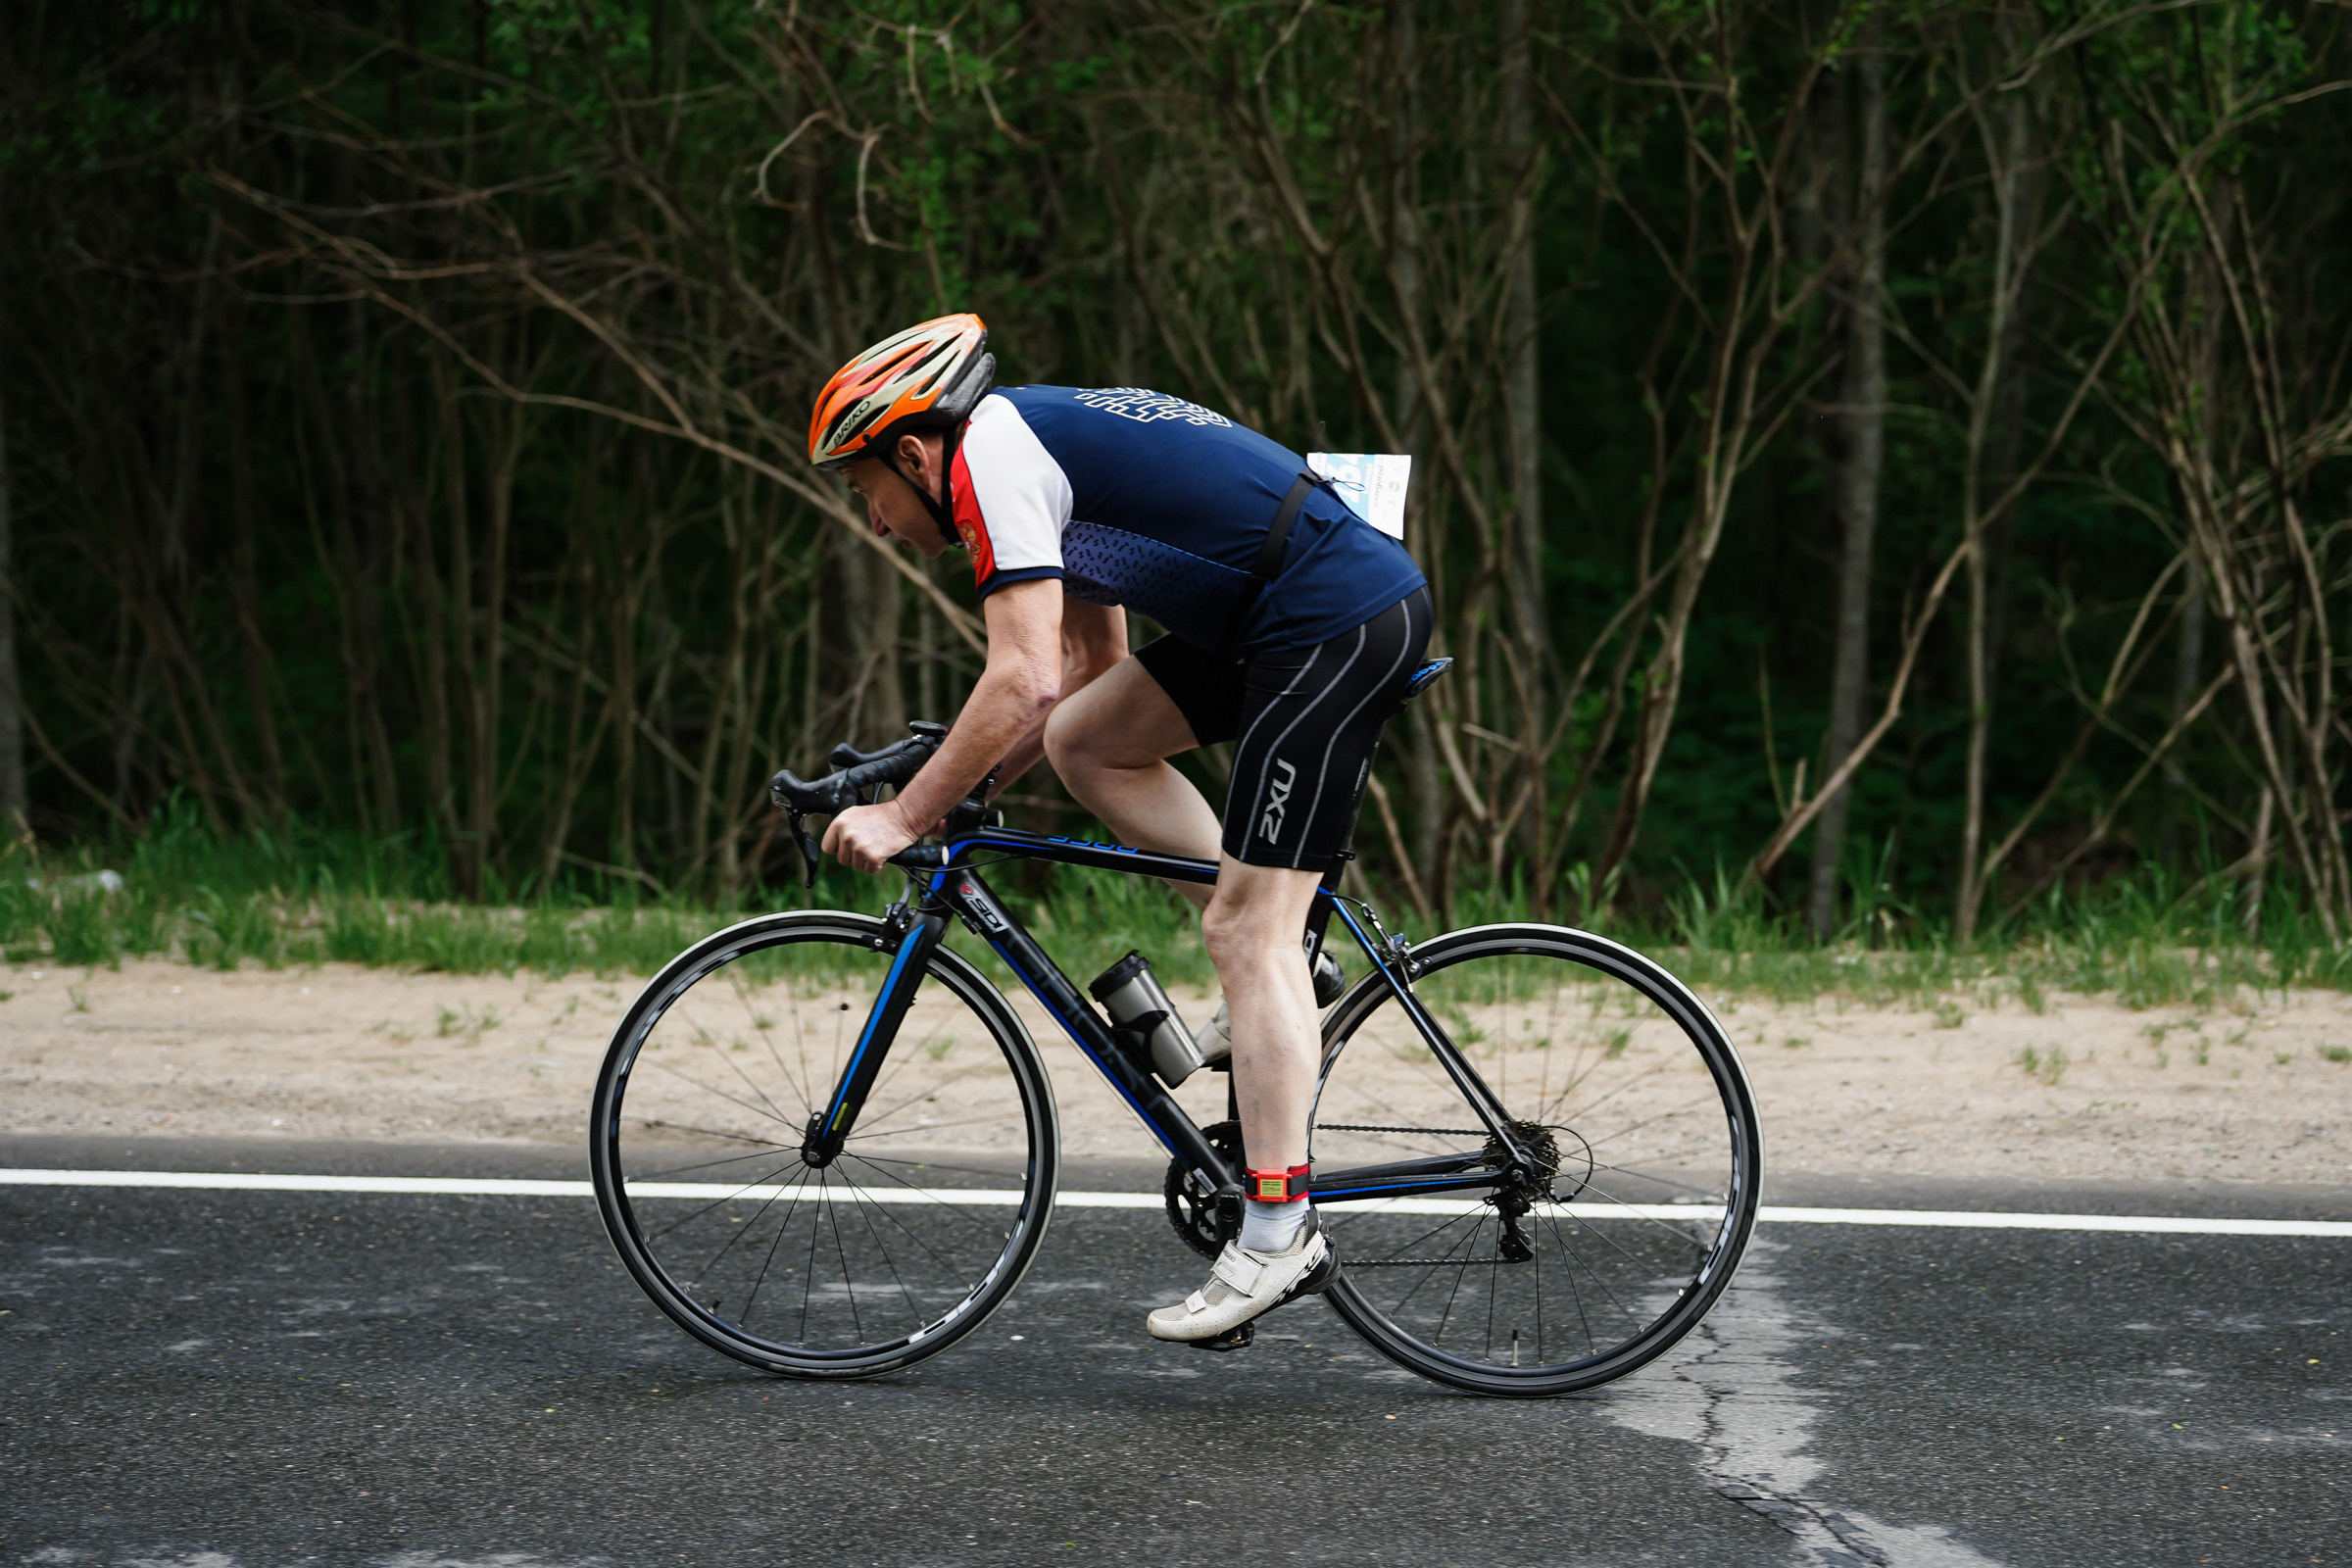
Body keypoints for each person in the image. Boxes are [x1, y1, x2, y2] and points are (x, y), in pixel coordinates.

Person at [808, 313, 1430, 1343]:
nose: (873, 521)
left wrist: (908, 812)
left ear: (913, 454)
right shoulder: (1028, 451)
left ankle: (1280, 1226)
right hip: (1293, 609)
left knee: (1244, 931)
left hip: (1329, 614)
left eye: (863, 489)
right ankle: (1291, 963)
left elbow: (1022, 674)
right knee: (1092, 741)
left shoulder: (991, 466)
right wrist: (967, 786)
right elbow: (1081, 682)